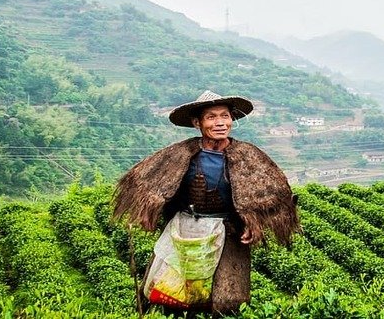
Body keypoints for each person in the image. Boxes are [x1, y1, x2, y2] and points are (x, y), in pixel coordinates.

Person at [112, 90, 300, 314]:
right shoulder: (180, 153)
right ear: (197, 122)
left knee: (228, 300)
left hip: (229, 233)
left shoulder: (249, 155)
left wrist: (254, 223)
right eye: (211, 117)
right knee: (173, 295)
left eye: (225, 116)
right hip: (185, 229)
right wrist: (148, 213)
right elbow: (147, 183)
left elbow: (273, 195)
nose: (220, 123)